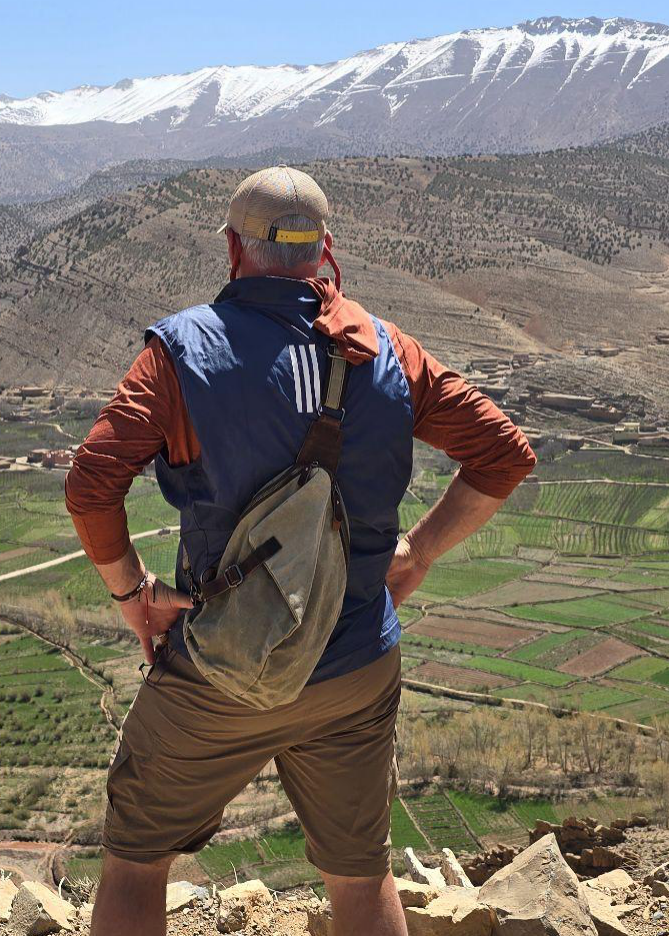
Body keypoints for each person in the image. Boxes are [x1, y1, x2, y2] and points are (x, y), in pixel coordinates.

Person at [65, 165, 536, 936]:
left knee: (137, 857)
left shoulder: (181, 353)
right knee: (359, 875)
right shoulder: (388, 349)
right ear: (324, 250)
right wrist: (418, 552)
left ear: (232, 248)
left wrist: (131, 594)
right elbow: (504, 453)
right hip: (355, 664)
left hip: (221, 671)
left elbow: (91, 484)